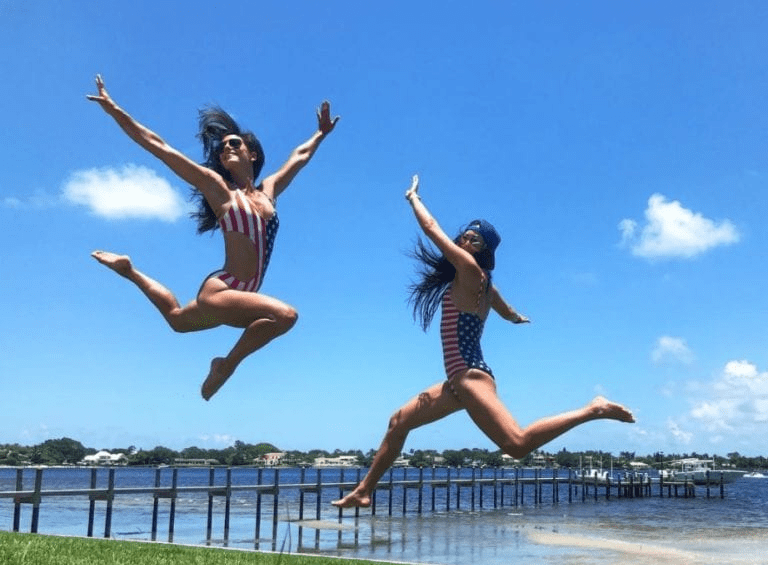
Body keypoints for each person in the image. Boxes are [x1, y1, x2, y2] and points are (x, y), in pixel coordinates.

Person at [333, 175, 634, 508]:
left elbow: (431, 228)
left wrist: (413, 197)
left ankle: (594, 409)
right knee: (398, 422)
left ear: (483, 250)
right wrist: (517, 318)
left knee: (517, 445)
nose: (465, 239)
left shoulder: (469, 270)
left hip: (470, 376)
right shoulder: (486, 286)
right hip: (456, 382)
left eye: (474, 240)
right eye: (466, 234)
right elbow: (505, 310)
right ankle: (364, 491)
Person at [87, 75, 339, 401]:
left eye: (235, 144)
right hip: (221, 289)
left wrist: (320, 134)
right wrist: (114, 110)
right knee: (286, 316)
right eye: (222, 149)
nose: (226, 149)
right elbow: (158, 146)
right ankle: (225, 365)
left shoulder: (269, 191)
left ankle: (129, 270)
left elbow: (299, 156)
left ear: (252, 154)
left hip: (242, 295)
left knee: (178, 321)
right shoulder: (218, 189)